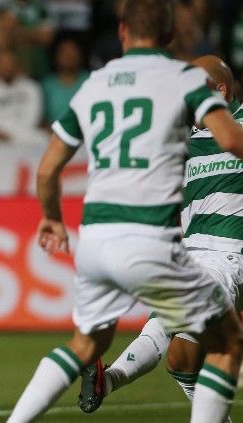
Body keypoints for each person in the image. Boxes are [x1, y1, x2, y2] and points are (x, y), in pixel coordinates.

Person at [7, 1, 243, 422]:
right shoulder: (180, 86)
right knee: (208, 350)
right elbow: (230, 139)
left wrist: (52, 216)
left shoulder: (97, 82)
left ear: (121, 33)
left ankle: (99, 382)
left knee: (91, 343)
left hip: (106, 238)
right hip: (178, 246)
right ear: (170, 36)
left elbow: (48, 167)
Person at [76, 55, 243, 414]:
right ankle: (111, 379)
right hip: (192, 257)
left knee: (181, 357)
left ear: (220, 90)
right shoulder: (182, 145)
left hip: (230, 254)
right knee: (172, 349)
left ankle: (112, 378)